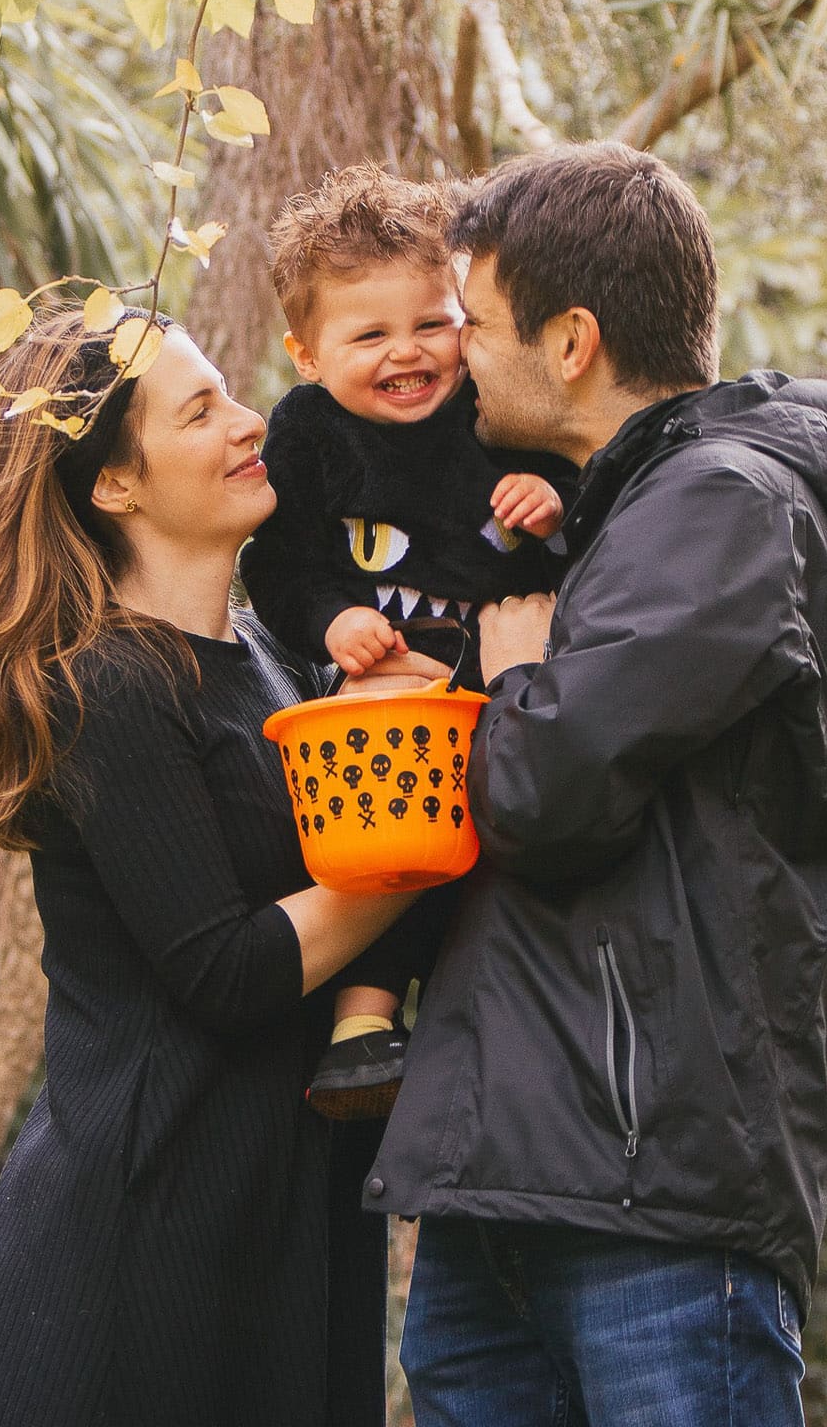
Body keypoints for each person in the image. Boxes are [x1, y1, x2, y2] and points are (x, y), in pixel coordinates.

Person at [363, 142, 827, 1426]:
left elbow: (545, 787)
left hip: (651, 1188)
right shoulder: (623, 510)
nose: (453, 354)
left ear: (572, 341)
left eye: (476, 323)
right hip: (518, 1176)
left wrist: (511, 679)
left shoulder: (725, 501)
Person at [0, 304, 426, 1427]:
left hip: (284, 1224)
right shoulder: (108, 686)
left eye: (231, 395)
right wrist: (423, 844)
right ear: (114, 484)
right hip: (141, 1242)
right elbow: (225, 968)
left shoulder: (268, 656)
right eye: (201, 411)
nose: (249, 423)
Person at [238, 163, 577, 1120]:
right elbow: (280, 564)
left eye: (433, 323)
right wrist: (332, 620)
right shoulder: (306, 437)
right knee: (386, 851)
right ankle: (364, 1024)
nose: (409, 353)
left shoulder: (496, 412)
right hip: (381, 703)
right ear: (308, 354)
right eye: (370, 335)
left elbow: (594, 496)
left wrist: (555, 508)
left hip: (507, 691)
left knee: (502, 868)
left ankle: (499, 1034)